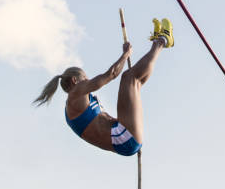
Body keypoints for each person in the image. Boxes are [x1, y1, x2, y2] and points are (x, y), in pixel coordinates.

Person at [33, 18, 174, 156]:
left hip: (123, 136)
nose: (88, 80)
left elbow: (101, 124)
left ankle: (158, 41)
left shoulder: (77, 104)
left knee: (135, 82)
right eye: (85, 78)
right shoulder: (76, 94)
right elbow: (111, 74)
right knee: (129, 78)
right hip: (124, 138)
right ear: (75, 80)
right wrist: (125, 54)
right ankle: (163, 40)